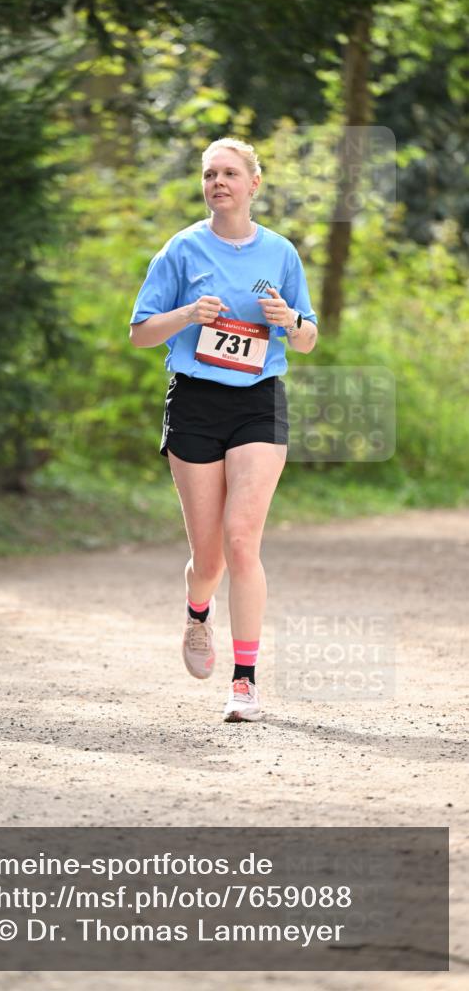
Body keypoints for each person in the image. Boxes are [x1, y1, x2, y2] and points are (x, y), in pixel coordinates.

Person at [129, 137, 317, 723]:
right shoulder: (181, 249)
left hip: (259, 402)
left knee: (242, 541)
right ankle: (197, 610)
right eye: (210, 174)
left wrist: (290, 320)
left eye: (230, 173)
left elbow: (308, 338)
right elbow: (139, 332)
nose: (218, 183)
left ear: (253, 183)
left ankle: (245, 682)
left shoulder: (281, 252)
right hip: (195, 402)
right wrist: (188, 314)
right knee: (209, 559)